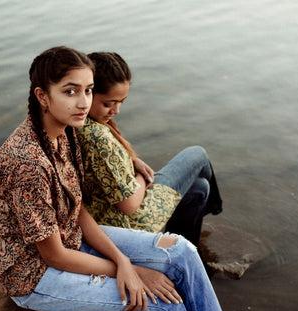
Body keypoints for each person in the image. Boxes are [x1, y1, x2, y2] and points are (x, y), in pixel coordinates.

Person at [0, 46, 229, 311]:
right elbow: (53, 256)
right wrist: (128, 270)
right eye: (70, 91)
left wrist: (122, 258)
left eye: (88, 90)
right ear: (42, 96)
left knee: (183, 252)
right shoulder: (27, 163)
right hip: (36, 274)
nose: (83, 103)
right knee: (162, 306)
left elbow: (77, 211)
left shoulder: (65, 134)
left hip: (72, 239)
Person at [77, 52, 223, 246]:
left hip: (106, 215)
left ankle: (182, 247)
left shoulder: (77, 122)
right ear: (88, 91)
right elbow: (129, 205)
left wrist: (133, 161)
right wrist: (141, 177)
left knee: (199, 188)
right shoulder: (97, 137)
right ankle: (215, 207)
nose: (116, 111)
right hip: (131, 223)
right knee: (198, 154)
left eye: (121, 102)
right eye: (108, 104)